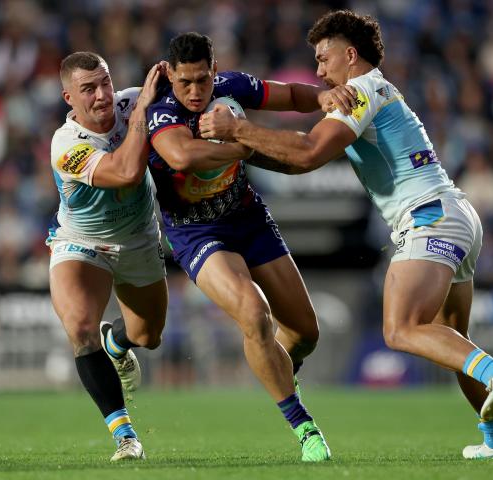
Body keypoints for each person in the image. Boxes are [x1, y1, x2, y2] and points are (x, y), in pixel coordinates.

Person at [199, 10, 493, 460]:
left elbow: (307, 152)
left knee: (400, 329)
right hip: (455, 214)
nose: (319, 72)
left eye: (323, 59)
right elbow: (302, 158)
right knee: (453, 337)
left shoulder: (360, 89)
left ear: (350, 55)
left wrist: (238, 129)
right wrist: (243, 152)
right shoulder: (375, 90)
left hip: (428, 217)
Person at [146, 32, 356, 462]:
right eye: (184, 81)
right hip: (196, 232)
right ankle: (304, 427)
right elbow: (182, 157)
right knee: (253, 312)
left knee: (305, 333)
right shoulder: (160, 110)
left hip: (247, 218)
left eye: (202, 80)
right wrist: (246, 143)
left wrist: (324, 96)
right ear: (170, 74)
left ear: (214, 71)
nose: (194, 90)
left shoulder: (230, 89)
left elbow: (292, 93)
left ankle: (272, 367)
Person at [48, 52, 168, 461]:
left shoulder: (132, 101)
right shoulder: (66, 145)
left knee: (148, 336)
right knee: (80, 327)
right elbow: (126, 171)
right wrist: (142, 113)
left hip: (137, 239)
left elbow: (199, 88)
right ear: (69, 97)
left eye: (105, 83)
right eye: (88, 89)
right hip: (81, 242)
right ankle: (126, 436)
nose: (102, 96)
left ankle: (115, 341)